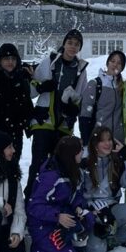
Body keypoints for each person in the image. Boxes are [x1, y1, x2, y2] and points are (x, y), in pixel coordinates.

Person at [27, 29, 89, 198]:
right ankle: (31, 199)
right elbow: (31, 90)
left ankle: (53, 200)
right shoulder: (50, 62)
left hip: (63, 124)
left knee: (60, 165)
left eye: (76, 44)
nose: (72, 47)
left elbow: (80, 96)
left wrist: (73, 108)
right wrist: (41, 87)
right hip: (44, 120)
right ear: (64, 43)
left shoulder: (81, 69)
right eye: (70, 43)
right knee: (39, 163)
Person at [26, 135, 94, 252]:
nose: (82, 153)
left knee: (88, 217)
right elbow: (34, 206)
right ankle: (39, 248)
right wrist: (57, 216)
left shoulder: (75, 170)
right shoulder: (51, 176)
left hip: (63, 216)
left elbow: (76, 195)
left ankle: (68, 239)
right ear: (71, 154)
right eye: (80, 150)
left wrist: (78, 207)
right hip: (44, 223)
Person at [80, 126, 126, 252]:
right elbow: (77, 193)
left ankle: (114, 241)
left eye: (109, 139)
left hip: (112, 208)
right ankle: (97, 237)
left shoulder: (116, 161)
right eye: (103, 140)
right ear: (95, 143)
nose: (107, 143)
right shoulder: (85, 162)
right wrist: (93, 210)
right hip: (92, 212)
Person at [0, 42, 34, 161]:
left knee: (12, 163)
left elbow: (27, 102)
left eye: (13, 58)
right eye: (6, 59)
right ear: (0, 60)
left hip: (15, 129)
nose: (10, 62)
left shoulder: (22, 77)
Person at [79, 50, 126, 143]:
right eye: (112, 61)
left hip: (118, 141)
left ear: (122, 68)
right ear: (108, 63)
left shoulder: (123, 87)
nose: (115, 65)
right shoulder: (95, 84)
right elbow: (85, 115)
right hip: (99, 139)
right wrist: (85, 141)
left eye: (119, 63)